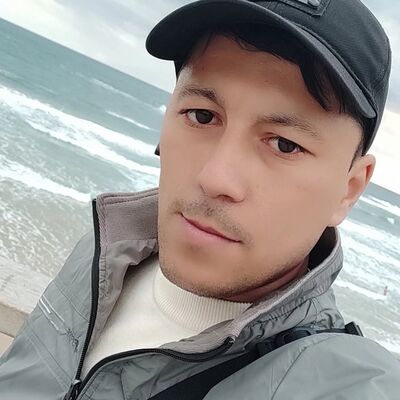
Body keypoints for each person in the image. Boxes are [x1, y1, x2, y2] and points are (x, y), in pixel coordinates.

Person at [1, 0, 399, 399]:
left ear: (349, 189)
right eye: (202, 116)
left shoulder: (342, 385)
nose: (214, 178)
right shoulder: (103, 255)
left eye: (284, 144)